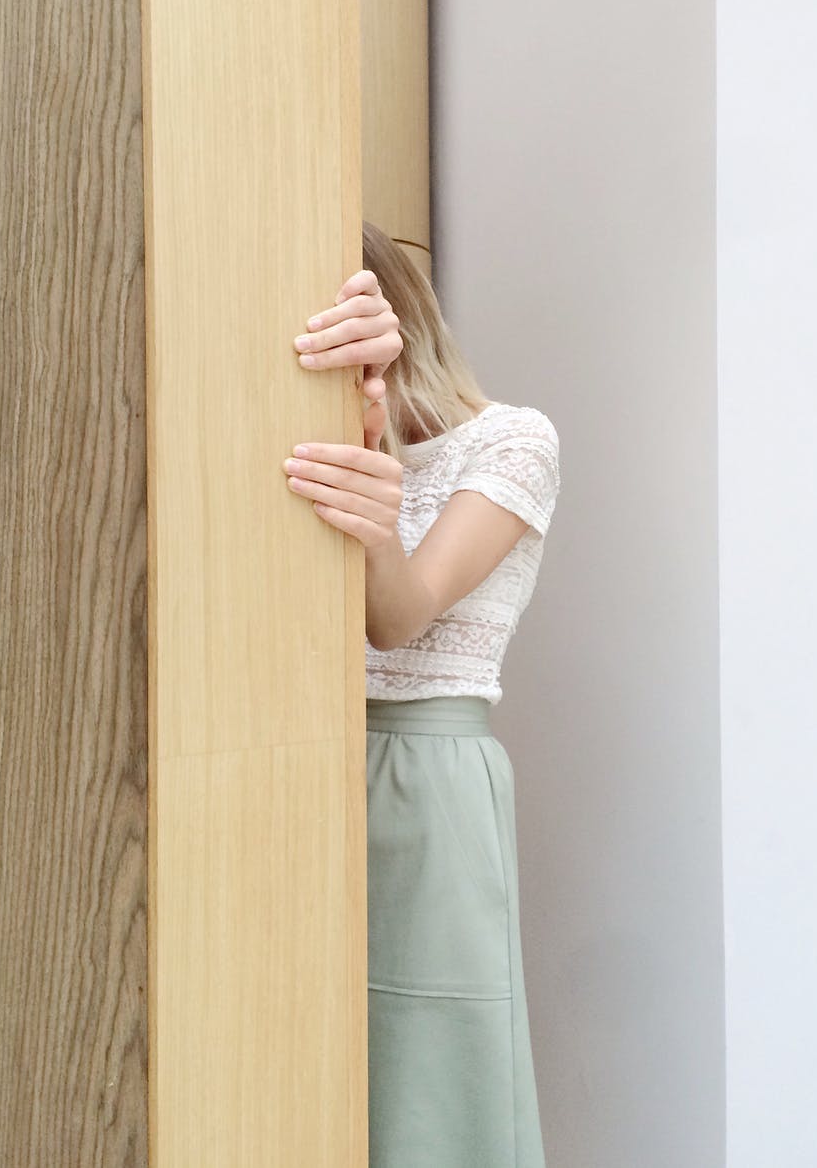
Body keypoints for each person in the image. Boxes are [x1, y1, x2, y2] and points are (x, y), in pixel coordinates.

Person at [282, 221, 560, 1166]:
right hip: (299, 760)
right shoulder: (305, 443)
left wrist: (373, 486)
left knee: (433, 1067)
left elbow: (397, 619)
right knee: (305, 1061)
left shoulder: (516, 442)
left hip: (426, 771)